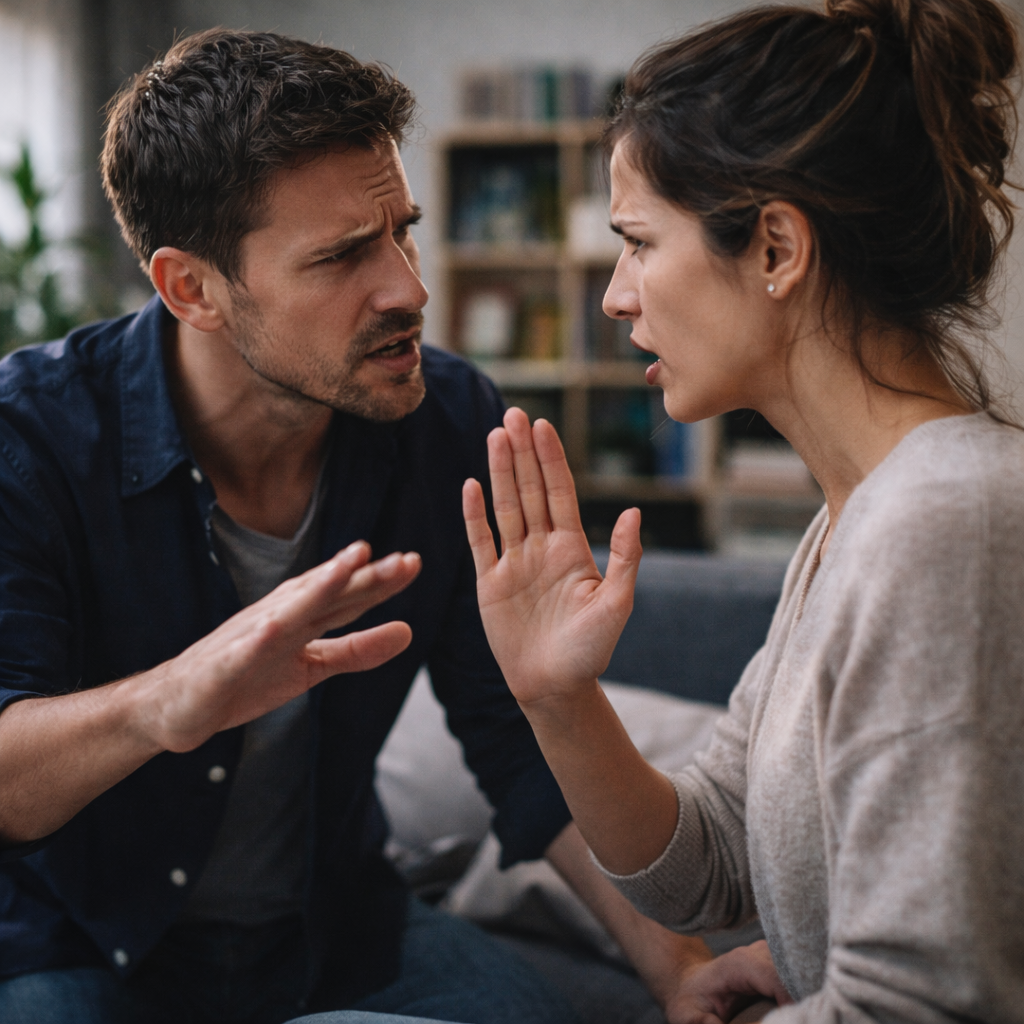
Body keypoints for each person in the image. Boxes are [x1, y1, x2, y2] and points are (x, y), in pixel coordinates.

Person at [0, 27, 785, 1024]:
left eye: (400, 231)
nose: (411, 288)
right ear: (189, 288)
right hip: (78, 939)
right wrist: (172, 699)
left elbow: (514, 738)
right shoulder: (29, 437)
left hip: (335, 927)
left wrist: (676, 970)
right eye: (341, 257)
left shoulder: (446, 417)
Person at [462, 0, 1024, 1021]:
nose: (614, 297)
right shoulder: (850, 521)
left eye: (637, 242)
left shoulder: (947, 520)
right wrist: (554, 694)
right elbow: (705, 864)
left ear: (773, 248)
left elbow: (917, 1006)